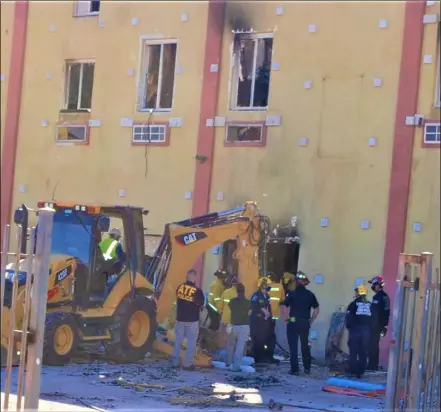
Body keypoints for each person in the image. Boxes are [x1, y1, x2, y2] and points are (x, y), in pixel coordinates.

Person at [282, 271, 319, 375]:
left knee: (293, 347)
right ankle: (307, 369)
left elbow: (284, 306)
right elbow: (316, 309)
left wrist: (286, 318)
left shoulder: (291, 293)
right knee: (305, 346)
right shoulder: (310, 295)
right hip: (304, 322)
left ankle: (294, 370)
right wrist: (311, 320)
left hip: (293, 322)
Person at [172, 269, 205, 370]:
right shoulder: (197, 291)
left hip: (180, 318)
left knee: (178, 340)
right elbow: (200, 303)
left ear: (187, 277)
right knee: (191, 342)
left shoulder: (180, 288)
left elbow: (179, 299)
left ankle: (175, 362)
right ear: (194, 277)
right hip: (192, 320)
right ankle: (187, 364)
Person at [345, 285, 371, 378]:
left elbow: (348, 317)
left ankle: (353, 371)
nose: (355, 293)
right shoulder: (370, 304)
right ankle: (361, 371)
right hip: (366, 331)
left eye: (356, 292)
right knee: (363, 351)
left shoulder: (353, 304)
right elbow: (373, 318)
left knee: (353, 351)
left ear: (359, 293)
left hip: (355, 330)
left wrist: (349, 327)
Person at [250, 277, 277, 364]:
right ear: (262, 286)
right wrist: (264, 312)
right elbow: (258, 307)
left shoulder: (267, 296)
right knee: (259, 341)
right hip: (258, 322)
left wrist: (271, 319)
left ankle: (269, 357)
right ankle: (258, 359)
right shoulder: (256, 295)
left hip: (266, 322)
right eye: (267, 285)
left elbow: (268, 309)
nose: (269, 286)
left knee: (271, 339)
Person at [367, 276, 390, 371]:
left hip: (375, 325)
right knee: (373, 344)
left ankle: (372, 365)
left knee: (373, 345)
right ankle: (372, 364)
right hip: (377, 325)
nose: (372, 286)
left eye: (373, 284)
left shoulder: (380, 297)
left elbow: (378, 312)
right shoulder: (382, 296)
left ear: (378, 285)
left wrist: (380, 326)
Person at [226, 283, 251, 371]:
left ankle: (228, 362)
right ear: (244, 291)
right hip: (244, 326)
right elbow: (250, 312)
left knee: (230, 344)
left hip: (234, 326)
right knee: (239, 347)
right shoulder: (248, 302)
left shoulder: (232, 301)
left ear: (236, 291)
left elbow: (230, 308)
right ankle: (236, 367)